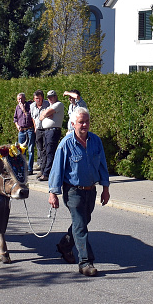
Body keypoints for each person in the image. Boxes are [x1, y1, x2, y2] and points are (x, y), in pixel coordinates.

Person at [47, 107, 110, 277]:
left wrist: (106, 189)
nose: (84, 125)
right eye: (81, 122)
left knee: (82, 222)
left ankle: (65, 245)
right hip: (73, 191)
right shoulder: (66, 144)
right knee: (80, 224)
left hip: (91, 191)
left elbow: (103, 165)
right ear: (73, 124)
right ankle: (85, 262)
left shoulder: (96, 141)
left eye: (87, 121)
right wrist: (53, 192)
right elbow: (57, 169)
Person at [37, 90, 64, 181]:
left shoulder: (58, 104)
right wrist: (46, 114)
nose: (50, 99)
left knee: (50, 152)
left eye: (52, 97)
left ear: (56, 97)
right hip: (46, 131)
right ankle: (44, 171)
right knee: (44, 152)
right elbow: (40, 117)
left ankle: (47, 174)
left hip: (53, 131)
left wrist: (46, 114)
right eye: (48, 97)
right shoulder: (48, 107)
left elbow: (46, 113)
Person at [13, 93, 36, 174]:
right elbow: (15, 118)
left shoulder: (30, 105)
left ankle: (30, 169)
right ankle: (23, 168)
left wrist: (24, 109)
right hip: (21, 131)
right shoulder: (17, 107)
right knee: (21, 150)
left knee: (30, 149)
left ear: (24, 98)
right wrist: (17, 126)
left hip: (30, 129)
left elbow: (31, 116)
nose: (20, 100)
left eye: (21, 99)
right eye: (18, 99)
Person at [29, 90, 48, 179]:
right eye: (36, 99)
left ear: (42, 98)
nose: (38, 100)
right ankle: (41, 167)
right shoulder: (32, 106)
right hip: (38, 129)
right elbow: (33, 117)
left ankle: (44, 170)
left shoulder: (47, 104)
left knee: (45, 149)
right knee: (40, 149)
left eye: (39, 98)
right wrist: (35, 127)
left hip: (46, 129)